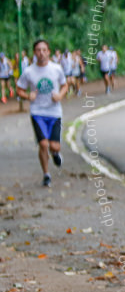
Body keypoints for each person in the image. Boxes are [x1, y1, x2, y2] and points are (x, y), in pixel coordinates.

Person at [16, 39, 68, 187]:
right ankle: (46, 174)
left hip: (54, 111)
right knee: (43, 144)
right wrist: (27, 96)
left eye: (44, 50)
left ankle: (56, 154)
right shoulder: (29, 72)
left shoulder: (56, 69)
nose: (41, 53)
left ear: (49, 52)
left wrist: (60, 95)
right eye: (38, 50)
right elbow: (19, 89)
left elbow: (65, 85)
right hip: (37, 112)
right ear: (34, 53)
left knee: (54, 146)